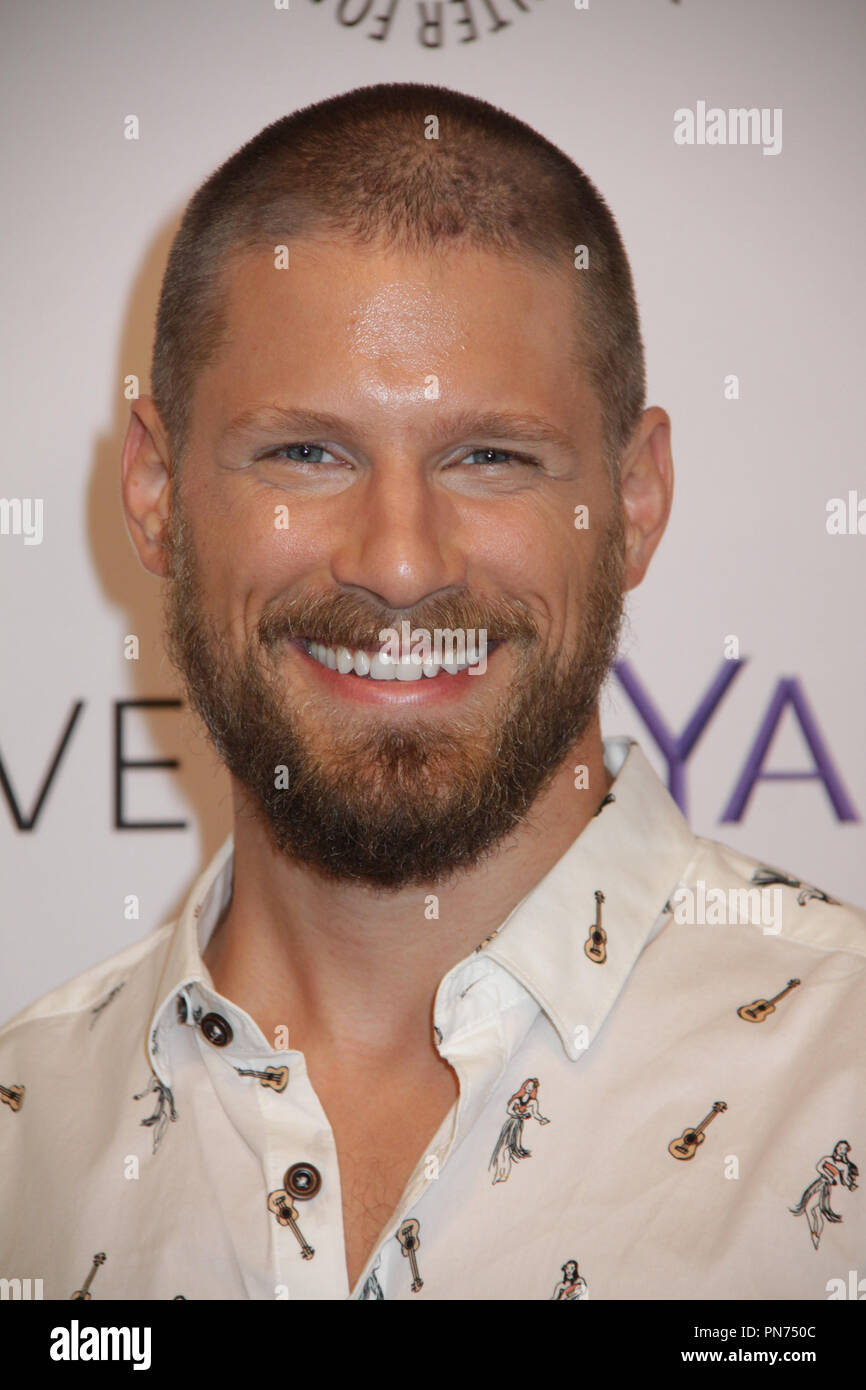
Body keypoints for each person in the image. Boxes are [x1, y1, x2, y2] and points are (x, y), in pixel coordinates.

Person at [1, 82, 863, 1302]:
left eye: (489, 457)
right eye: (306, 451)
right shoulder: (21, 1142)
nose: (397, 561)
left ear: (633, 502)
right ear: (153, 492)